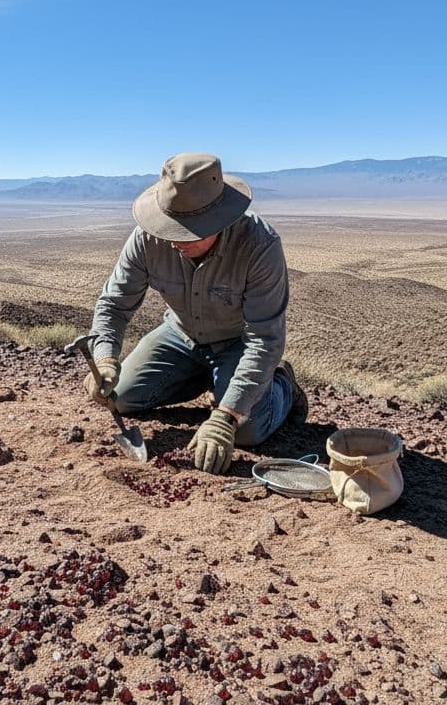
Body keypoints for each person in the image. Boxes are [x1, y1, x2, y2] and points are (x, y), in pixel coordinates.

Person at [86, 152, 306, 475]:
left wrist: (226, 416)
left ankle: (282, 386)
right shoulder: (147, 239)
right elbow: (113, 304)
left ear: (220, 218)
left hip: (237, 345)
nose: (175, 240)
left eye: (188, 232)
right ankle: (212, 381)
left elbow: (265, 341)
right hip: (180, 335)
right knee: (120, 396)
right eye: (170, 227)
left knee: (247, 430)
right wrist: (104, 360)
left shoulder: (260, 246)